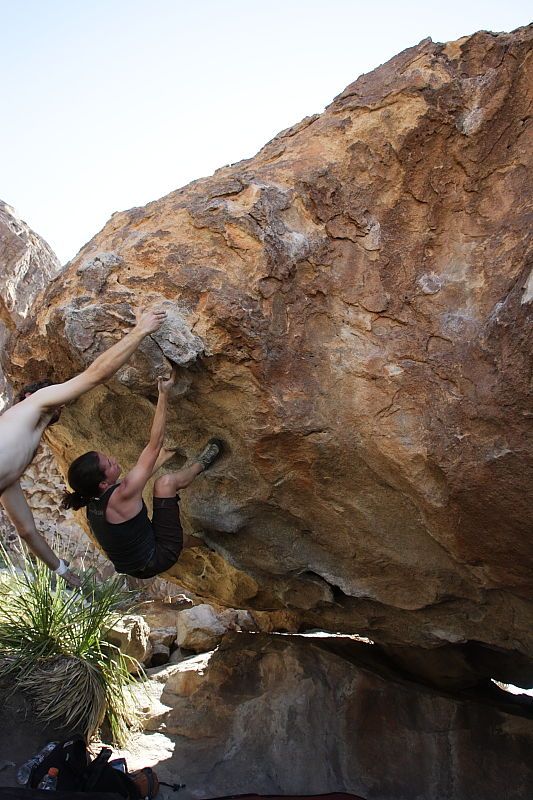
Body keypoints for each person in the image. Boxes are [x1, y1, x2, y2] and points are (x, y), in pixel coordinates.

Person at [0, 306, 168, 587]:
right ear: (30, 394)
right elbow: (95, 376)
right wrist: (140, 331)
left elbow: (27, 530)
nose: (61, 401)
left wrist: (61, 570)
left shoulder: (10, 475)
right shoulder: (32, 403)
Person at [63, 370, 223, 579]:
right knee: (164, 484)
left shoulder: (93, 499)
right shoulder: (122, 494)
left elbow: (136, 479)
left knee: (175, 537)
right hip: (156, 558)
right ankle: (203, 463)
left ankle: (205, 543)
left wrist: (163, 457)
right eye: (109, 463)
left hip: (137, 562)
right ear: (103, 483)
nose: (113, 459)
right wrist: (163, 394)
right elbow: (154, 444)